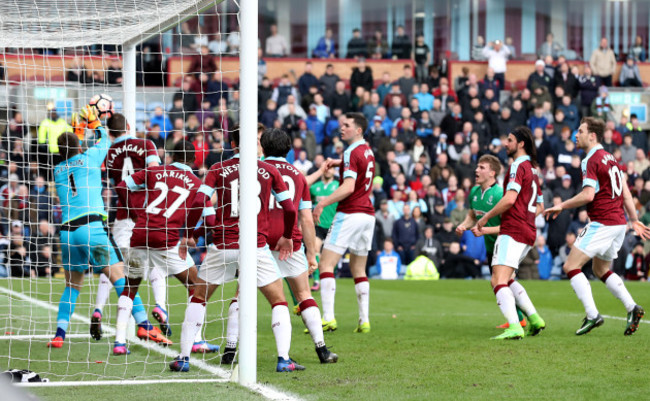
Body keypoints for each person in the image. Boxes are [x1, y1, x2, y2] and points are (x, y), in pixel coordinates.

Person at [170, 126, 302, 373]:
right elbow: (291, 209)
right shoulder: (269, 170)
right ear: (259, 145)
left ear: (232, 144)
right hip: (255, 247)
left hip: (222, 245)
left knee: (199, 297)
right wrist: (286, 236)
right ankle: (284, 359)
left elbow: (199, 201)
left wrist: (188, 234)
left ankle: (183, 358)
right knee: (278, 301)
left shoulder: (218, 169)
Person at [47, 106, 168, 350]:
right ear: (79, 146)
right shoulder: (90, 157)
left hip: (67, 234)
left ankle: (59, 334)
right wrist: (94, 121)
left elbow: (75, 151)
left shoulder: (57, 170)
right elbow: (104, 138)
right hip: (92, 229)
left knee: (72, 286)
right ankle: (144, 324)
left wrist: (79, 132)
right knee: (121, 278)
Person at [544, 117, 650, 336]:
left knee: (570, 266)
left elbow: (588, 195)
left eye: (580, 131)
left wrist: (561, 206)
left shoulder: (590, 159)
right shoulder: (611, 158)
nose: (576, 134)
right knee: (600, 269)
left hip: (602, 222)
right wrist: (632, 219)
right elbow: (626, 192)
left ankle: (592, 315)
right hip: (619, 223)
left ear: (592, 136)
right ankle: (632, 308)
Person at [113, 141, 217, 355]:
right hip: (166, 239)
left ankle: (119, 343)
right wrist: (191, 234)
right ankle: (195, 340)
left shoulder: (154, 171)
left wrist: (134, 214)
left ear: (170, 156)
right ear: (195, 160)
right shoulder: (197, 184)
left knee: (129, 288)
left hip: (139, 234)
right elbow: (211, 219)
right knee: (198, 285)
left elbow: (122, 186)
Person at [91, 113, 178, 345]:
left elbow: (111, 181)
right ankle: (161, 307)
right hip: (147, 213)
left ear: (110, 132)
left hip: (122, 215)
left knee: (115, 267)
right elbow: (154, 174)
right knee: (154, 264)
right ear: (129, 126)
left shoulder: (109, 153)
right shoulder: (146, 143)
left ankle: (98, 309)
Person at [259, 128, 337, 363]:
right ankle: (322, 350)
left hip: (259, 241)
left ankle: (230, 349)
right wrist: (312, 254)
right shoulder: (297, 175)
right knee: (303, 294)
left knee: (244, 294)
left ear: (263, 148)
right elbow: (306, 218)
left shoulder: (255, 169)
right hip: (290, 241)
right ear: (289, 149)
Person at [473, 126, 546, 340]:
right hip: (528, 231)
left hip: (513, 229)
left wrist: (485, 217)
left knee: (498, 280)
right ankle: (534, 318)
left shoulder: (517, 166)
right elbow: (540, 205)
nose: (506, 144)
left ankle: (515, 326)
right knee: (507, 277)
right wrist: (527, 218)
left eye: (510, 140)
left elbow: (510, 199)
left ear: (521, 144)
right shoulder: (533, 170)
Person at [312, 112, 376, 333]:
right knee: (359, 269)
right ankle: (364, 321)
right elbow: (359, 168)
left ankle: (328, 317)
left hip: (350, 212)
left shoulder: (350, 152)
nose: (342, 128)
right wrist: (340, 163)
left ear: (358, 130)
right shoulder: (367, 150)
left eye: (346, 125)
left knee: (326, 265)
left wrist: (322, 204)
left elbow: (348, 187)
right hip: (368, 215)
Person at [456, 154, 528, 328]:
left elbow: (512, 226)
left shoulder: (501, 194)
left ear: (492, 173)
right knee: (501, 284)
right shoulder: (474, 192)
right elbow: (472, 215)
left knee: (503, 282)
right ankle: (520, 319)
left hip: (506, 243)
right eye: (477, 166)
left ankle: (525, 319)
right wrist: (463, 225)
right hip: (491, 246)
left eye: (482, 167)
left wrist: (485, 230)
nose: (476, 170)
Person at [307, 163, 340, 291]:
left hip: (334, 225)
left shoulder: (338, 186)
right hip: (318, 225)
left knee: (332, 256)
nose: (328, 171)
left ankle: (329, 277)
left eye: (331, 168)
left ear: (334, 171)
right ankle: (316, 280)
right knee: (315, 249)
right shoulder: (314, 188)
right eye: (326, 168)